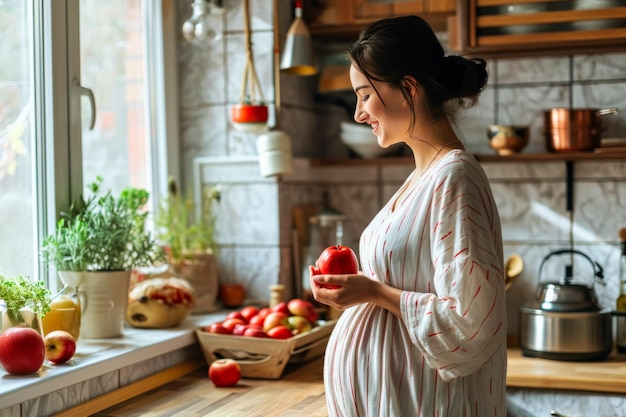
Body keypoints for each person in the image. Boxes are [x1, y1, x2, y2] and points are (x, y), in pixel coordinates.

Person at [309, 15, 507, 417]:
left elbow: (472, 321)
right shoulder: (424, 176)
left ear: (408, 88)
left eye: (364, 95)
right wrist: (359, 293)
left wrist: (372, 292)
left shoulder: (454, 176)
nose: (358, 114)